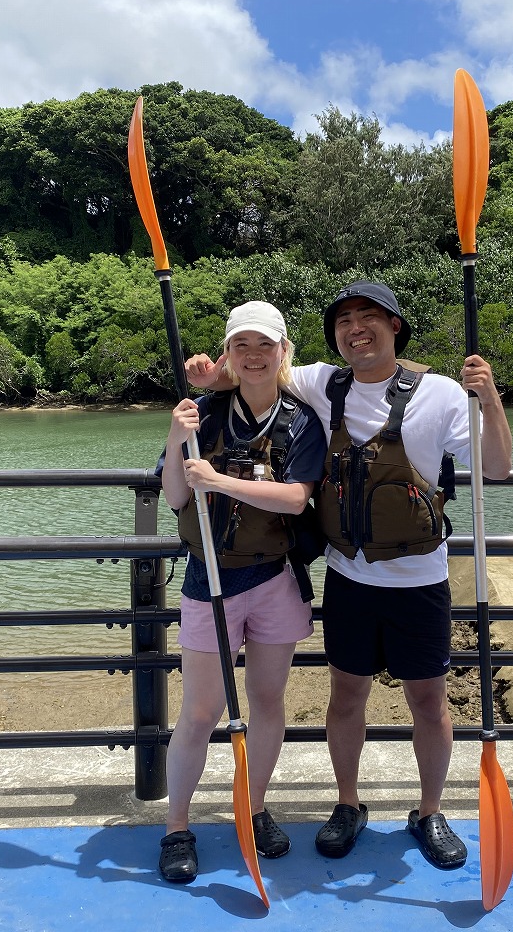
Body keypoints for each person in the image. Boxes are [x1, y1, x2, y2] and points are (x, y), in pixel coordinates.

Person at [186, 280, 512, 871]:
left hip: (420, 580)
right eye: (344, 322)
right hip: (349, 577)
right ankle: (347, 803)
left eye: (368, 318)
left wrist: (488, 397)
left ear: (395, 326)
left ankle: (430, 811)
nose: (356, 330)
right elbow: (259, 370)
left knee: (429, 702)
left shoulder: (441, 393)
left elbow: (497, 468)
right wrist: (213, 379)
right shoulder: (321, 383)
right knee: (345, 698)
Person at [155, 301, 327, 884]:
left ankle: (252, 809)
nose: (253, 356)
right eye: (241, 346)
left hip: (276, 578)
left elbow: (297, 498)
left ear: (283, 352)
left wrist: (219, 480)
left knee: (267, 700)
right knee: (201, 712)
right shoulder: (202, 413)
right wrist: (176, 438)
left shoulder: (301, 421)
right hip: (209, 580)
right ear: (228, 353)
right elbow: (175, 496)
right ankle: (177, 826)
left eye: (264, 345)